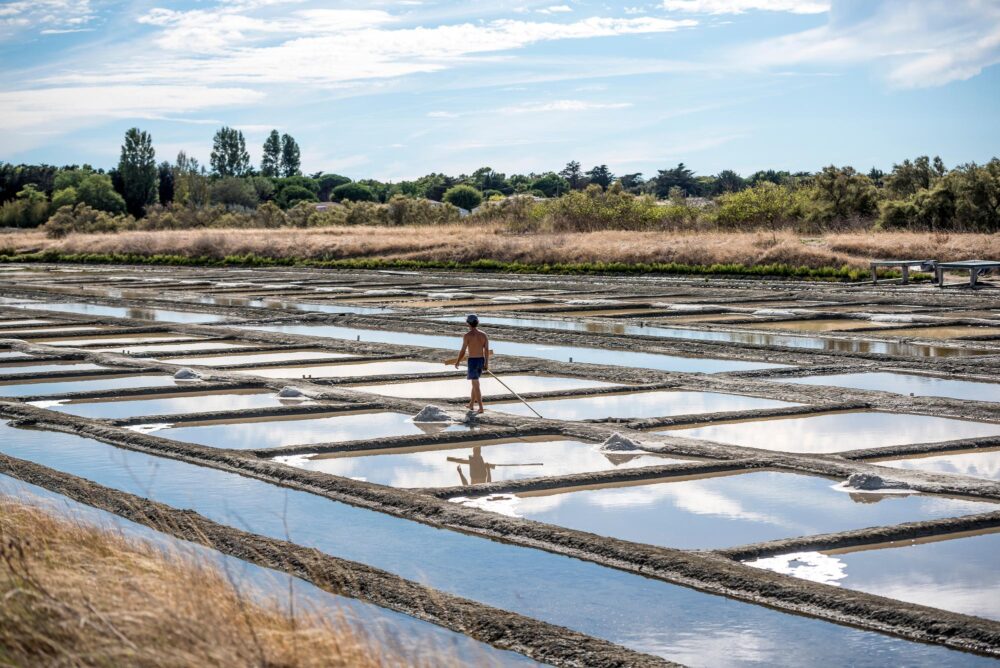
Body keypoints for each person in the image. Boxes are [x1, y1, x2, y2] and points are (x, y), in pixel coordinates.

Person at [454, 313, 489, 413]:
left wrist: (457, 361)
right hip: (481, 360)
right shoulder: (483, 335)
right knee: (475, 383)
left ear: (468, 323)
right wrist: (486, 363)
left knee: (476, 384)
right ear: (477, 322)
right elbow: (486, 351)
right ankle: (471, 404)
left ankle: (481, 407)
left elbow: (463, 351)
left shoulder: (467, 336)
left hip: (473, 361)